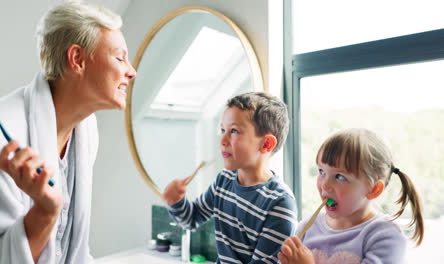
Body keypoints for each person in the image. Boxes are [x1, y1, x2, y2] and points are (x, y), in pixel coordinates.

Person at [0, 2, 135, 263]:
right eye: (120, 58)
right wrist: (45, 213)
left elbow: (69, 248)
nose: (131, 71)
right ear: (77, 59)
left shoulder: (86, 129)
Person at [163, 92, 298, 264]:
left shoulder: (279, 204)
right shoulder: (224, 181)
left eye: (234, 131)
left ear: (266, 144)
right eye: (222, 130)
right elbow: (191, 219)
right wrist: (175, 201)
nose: (223, 140)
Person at [278, 128, 424, 264]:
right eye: (322, 171)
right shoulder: (307, 227)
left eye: (340, 177)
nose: (325, 185)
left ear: (374, 189)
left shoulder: (385, 237)